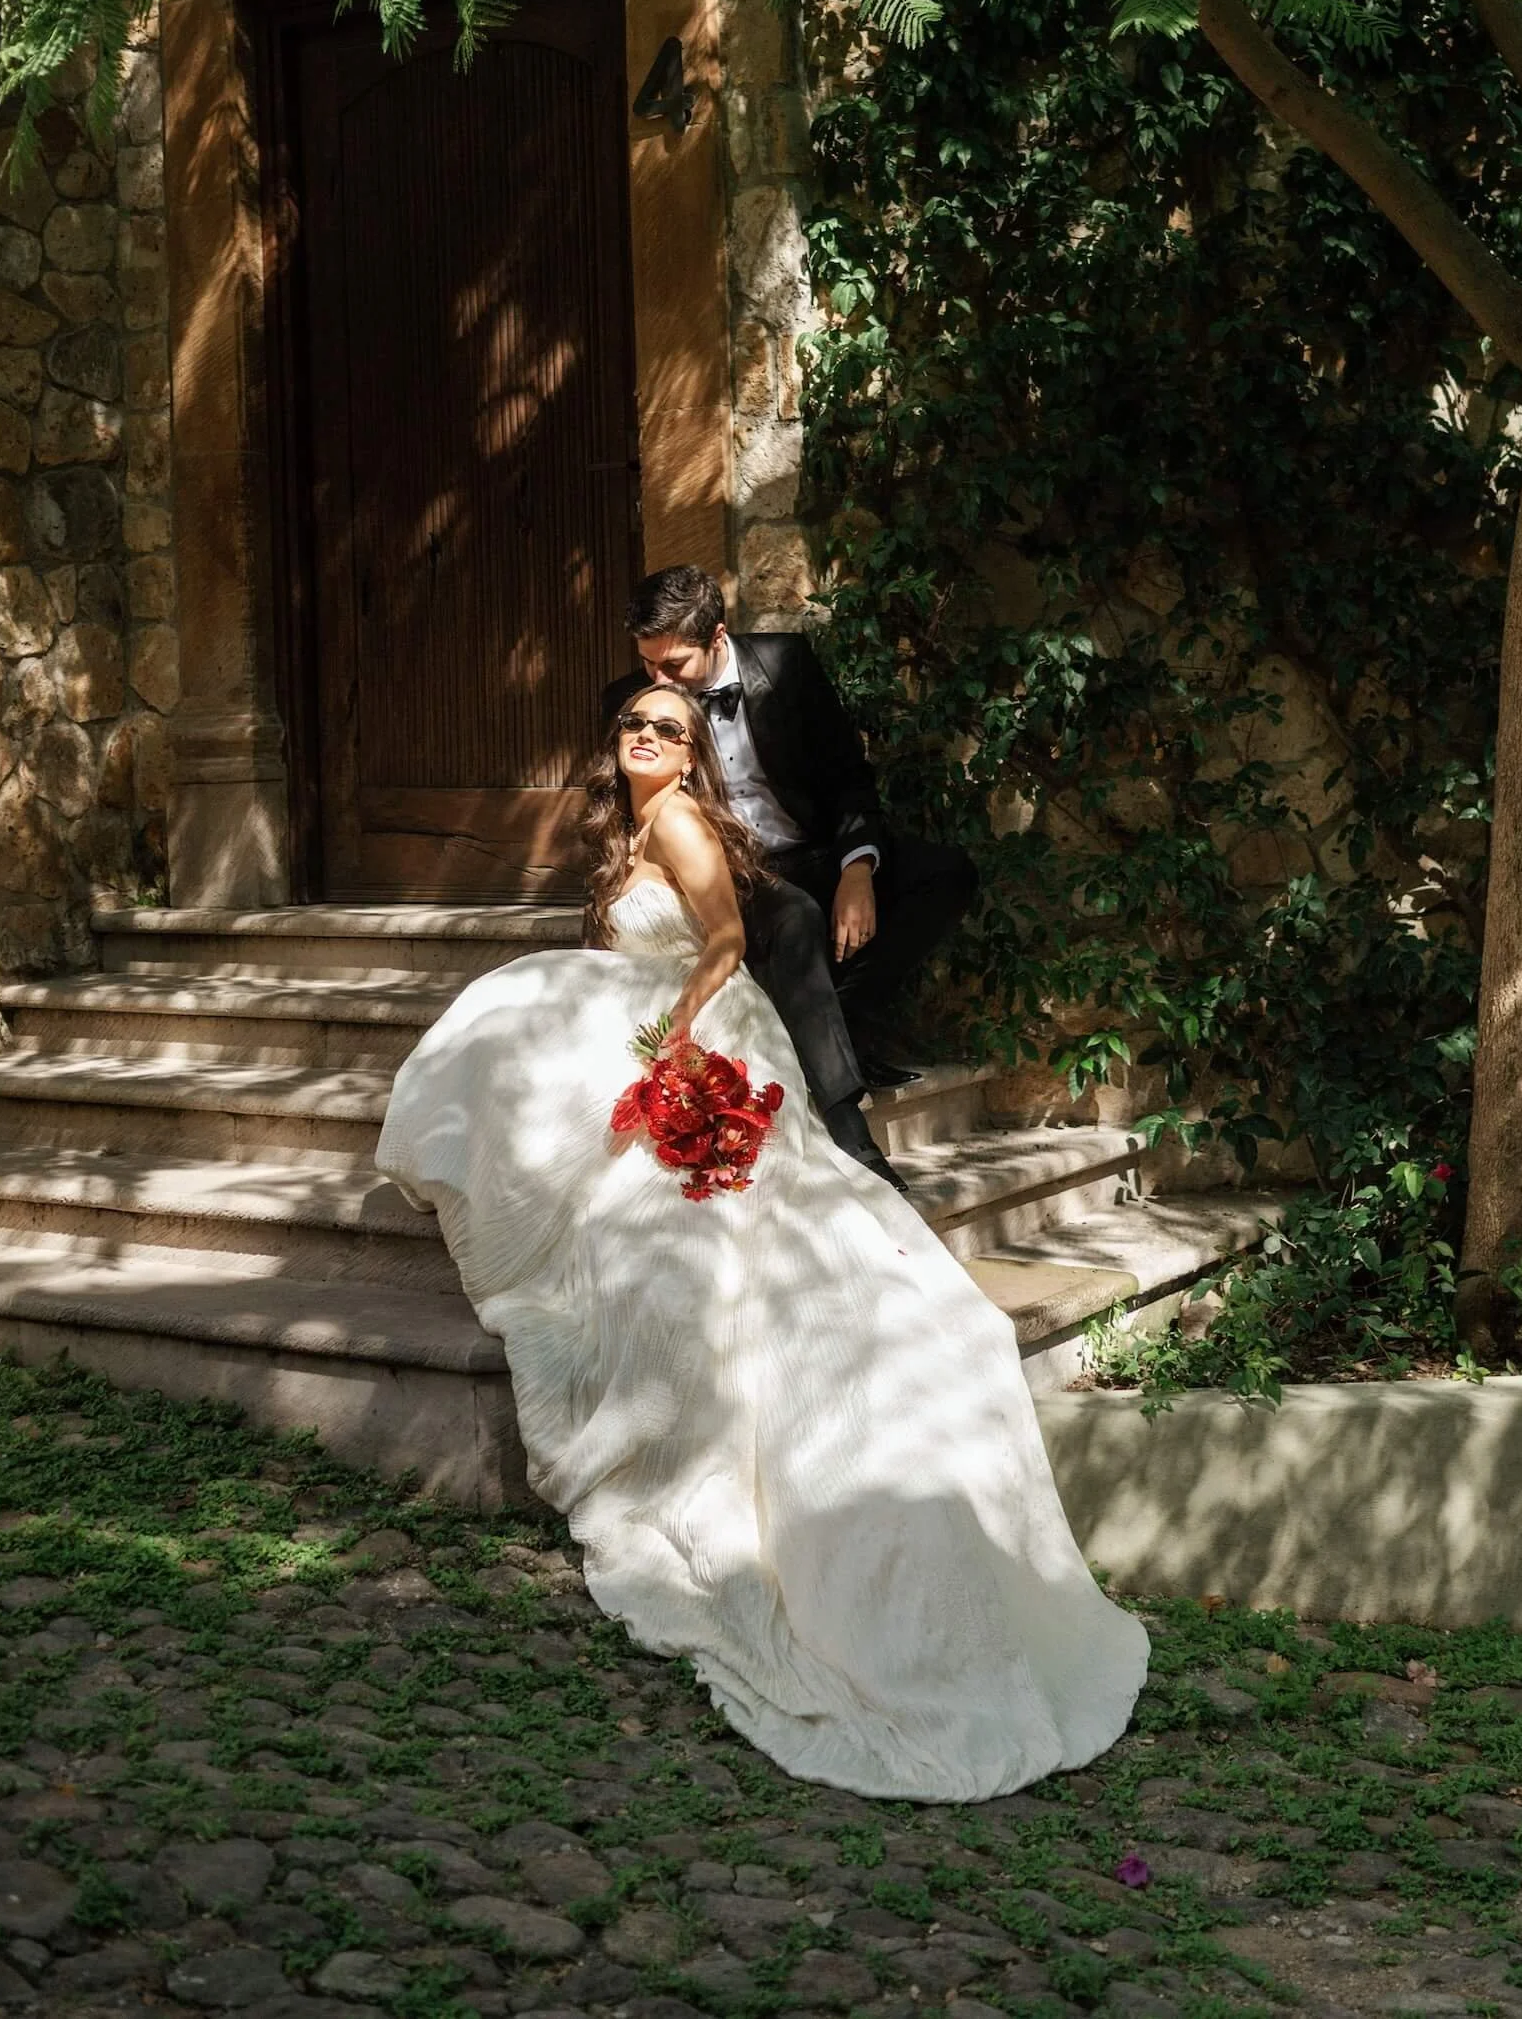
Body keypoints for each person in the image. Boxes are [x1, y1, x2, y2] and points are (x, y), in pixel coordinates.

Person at [374, 683, 1148, 1801]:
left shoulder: (679, 820)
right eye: (633, 725)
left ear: (693, 756)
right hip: (655, 1008)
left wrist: (667, 1044)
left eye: (669, 729)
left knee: (662, 1204)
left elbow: (728, 941)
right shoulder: (634, 824)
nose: (644, 739)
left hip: (697, 1021)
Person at [604, 566, 976, 1189]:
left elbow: (846, 775)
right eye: (648, 665)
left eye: (674, 666)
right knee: (796, 913)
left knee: (945, 875)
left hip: (811, 850)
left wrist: (858, 867)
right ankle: (849, 1133)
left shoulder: (787, 664)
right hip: (728, 872)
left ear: (717, 636)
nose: (657, 682)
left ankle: (842, 1024)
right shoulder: (638, 704)